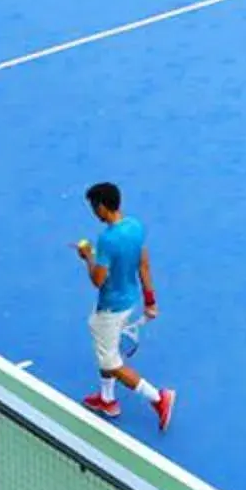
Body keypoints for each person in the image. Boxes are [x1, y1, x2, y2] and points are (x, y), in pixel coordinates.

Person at [73, 180, 175, 430]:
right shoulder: (136, 227)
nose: (93, 212)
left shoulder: (107, 240)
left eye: (94, 207)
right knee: (106, 349)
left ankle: (159, 398)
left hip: (111, 309)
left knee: (110, 362)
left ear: (103, 207)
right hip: (130, 302)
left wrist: (88, 258)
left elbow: (98, 280)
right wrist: (150, 301)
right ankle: (107, 400)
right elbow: (144, 264)